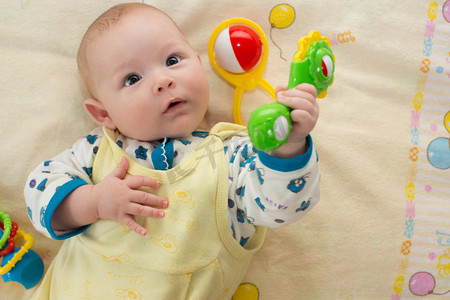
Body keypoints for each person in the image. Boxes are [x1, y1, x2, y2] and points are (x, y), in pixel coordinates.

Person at [24, 3, 320, 299]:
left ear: (198, 62)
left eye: (172, 60)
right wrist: (93, 202)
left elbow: (277, 209)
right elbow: (39, 192)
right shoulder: (98, 151)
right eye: (132, 79)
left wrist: (288, 148)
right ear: (104, 115)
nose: (162, 80)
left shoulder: (233, 158)